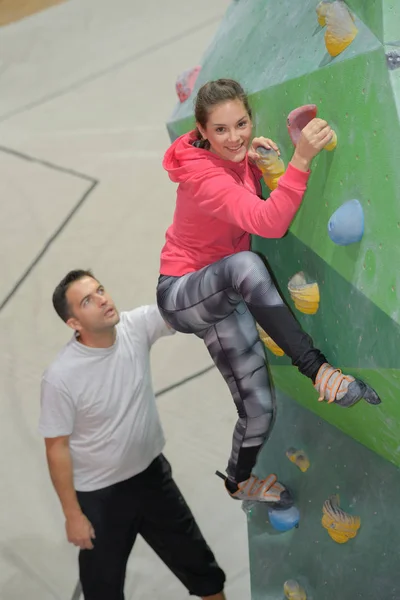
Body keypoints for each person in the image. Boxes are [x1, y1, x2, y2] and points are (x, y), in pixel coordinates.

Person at [156, 78, 381, 505]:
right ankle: (318, 370)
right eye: (220, 130)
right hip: (184, 292)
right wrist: (301, 159)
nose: (235, 137)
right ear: (201, 131)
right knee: (246, 264)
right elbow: (270, 224)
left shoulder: (233, 156)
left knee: (258, 409)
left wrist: (266, 166)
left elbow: (258, 195)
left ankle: (237, 482)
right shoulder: (205, 177)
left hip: (223, 295)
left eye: (241, 123)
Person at [39, 270, 227, 600]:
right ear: (74, 323)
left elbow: (180, 309)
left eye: (100, 289)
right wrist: (73, 516)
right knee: (103, 591)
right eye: (87, 300)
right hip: (100, 496)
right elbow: (56, 448)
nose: (102, 299)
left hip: (152, 478)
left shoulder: (135, 326)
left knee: (203, 570)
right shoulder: (61, 377)